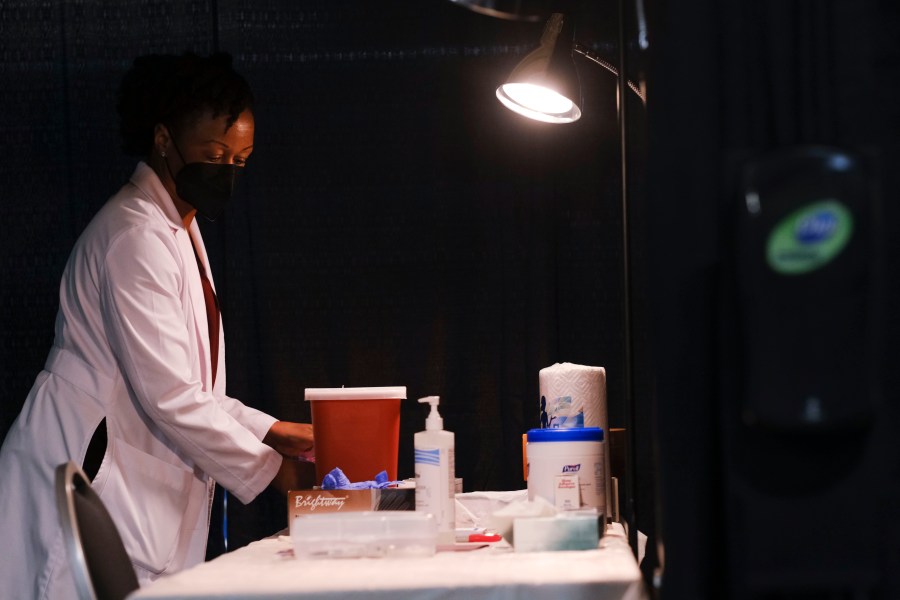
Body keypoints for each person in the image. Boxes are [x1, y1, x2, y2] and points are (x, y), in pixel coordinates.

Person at [0, 52, 314, 598]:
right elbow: (170, 397)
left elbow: (189, 388)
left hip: (126, 485)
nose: (227, 172)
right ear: (165, 139)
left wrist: (273, 431)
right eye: (215, 155)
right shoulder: (135, 237)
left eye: (242, 159)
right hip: (85, 471)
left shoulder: (176, 229)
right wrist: (279, 474)